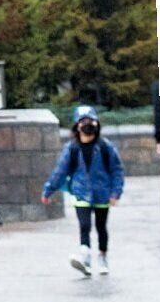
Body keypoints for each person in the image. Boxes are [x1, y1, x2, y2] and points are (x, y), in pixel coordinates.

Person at [43, 104, 125, 277]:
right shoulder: (71, 148)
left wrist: (115, 193)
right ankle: (85, 258)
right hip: (81, 192)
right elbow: (60, 171)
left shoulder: (105, 147)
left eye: (91, 121)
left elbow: (117, 170)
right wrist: (48, 190)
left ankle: (102, 257)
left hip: (102, 194)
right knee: (85, 225)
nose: (87, 125)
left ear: (97, 124)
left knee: (101, 227)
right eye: (83, 121)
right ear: (77, 126)